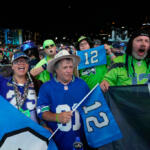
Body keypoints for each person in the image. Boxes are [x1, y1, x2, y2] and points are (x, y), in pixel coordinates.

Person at [36, 50, 90, 150]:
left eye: (70, 67)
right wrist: (56, 117)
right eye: (65, 67)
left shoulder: (82, 84)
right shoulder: (46, 87)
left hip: (81, 141)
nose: (69, 70)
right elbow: (41, 112)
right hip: (56, 142)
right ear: (56, 69)